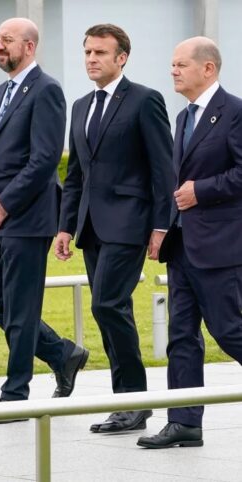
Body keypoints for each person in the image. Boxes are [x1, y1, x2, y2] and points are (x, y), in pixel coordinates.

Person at [54, 24, 174, 434]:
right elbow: (74, 175)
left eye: (100, 53)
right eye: (87, 52)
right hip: (90, 225)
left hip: (129, 223)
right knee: (106, 308)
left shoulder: (145, 101)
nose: (91, 59)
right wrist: (66, 226)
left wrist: (162, 225)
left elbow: (163, 169)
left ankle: (133, 400)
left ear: (121, 57)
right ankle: (127, 401)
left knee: (107, 304)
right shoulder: (80, 106)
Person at [0, 18, 88, 412]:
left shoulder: (47, 91)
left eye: (7, 40)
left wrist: (5, 203)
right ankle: (61, 353)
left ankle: (15, 395)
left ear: (30, 46)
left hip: (26, 218)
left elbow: (44, 160)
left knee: (22, 311)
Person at [138, 36, 242, 449]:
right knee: (181, 335)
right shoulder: (183, 118)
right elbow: (175, 185)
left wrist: (204, 190)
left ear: (208, 68)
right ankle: (184, 422)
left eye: (181, 64)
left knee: (229, 330)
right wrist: (163, 227)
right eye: (172, 64)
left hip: (221, 246)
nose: (173, 71)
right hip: (182, 246)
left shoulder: (234, 112)